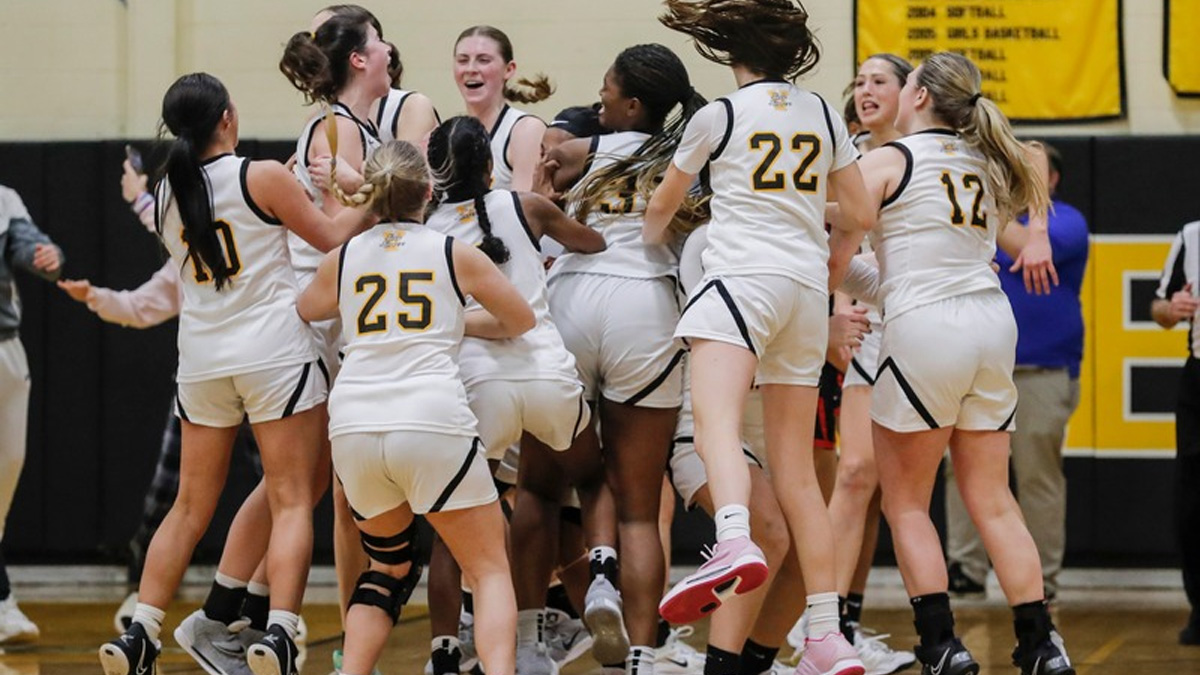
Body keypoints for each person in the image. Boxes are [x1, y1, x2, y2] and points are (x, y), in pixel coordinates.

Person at [98, 72, 372, 675]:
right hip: (274, 353)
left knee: (189, 507)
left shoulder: (167, 193)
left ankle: (141, 631)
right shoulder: (262, 175)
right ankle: (277, 633)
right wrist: (378, 195)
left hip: (201, 360)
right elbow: (331, 237)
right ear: (227, 118)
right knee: (294, 498)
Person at [648, 2, 874, 674]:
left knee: (716, 420)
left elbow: (663, 206)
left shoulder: (718, 116)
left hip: (741, 281)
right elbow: (860, 212)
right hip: (806, 293)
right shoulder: (825, 115)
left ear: (730, 51)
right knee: (799, 473)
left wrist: (649, 234)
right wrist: (832, 260)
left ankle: (734, 538)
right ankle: (828, 634)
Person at [842, 51, 1073, 675]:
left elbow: (833, 255)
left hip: (925, 329)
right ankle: (1041, 644)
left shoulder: (886, 160)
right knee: (993, 497)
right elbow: (1028, 159)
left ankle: (941, 643)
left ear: (916, 97)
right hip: (992, 325)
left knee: (907, 502)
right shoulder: (985, 160)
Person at [297, 139, 535, 675]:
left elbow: (307, 308)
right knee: (491, 568)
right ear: (429, 191)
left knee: (386, 568)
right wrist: (451, 321)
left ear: (371, 196)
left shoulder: (345, 257)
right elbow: (521, 319)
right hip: (430, 419)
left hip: (355, 425)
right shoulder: (454, 252)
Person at [543, 42, 707, 675]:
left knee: (543, 489)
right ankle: (641, 654)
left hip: (573, 300)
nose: (598, 97)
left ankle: (536, 634)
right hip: (646, 306)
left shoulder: (581, 151)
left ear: (632, 102)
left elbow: (543, 186)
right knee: (641, 504)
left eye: (607, 89)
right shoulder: (686, 158)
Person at [424, 114, 607, 675]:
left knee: (454, 529)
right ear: (489, 164)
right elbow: (594, 242)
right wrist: (553, 201)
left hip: (478, 390)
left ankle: (445, 652)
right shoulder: (527, 206)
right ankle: (601, 580)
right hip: (547, 374)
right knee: (594, 479)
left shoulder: (428, 229)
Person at [943, 143, 1090, 603]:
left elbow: (1027, 251)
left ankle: (1041, 579)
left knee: (1037, 476)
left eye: (1031, 168)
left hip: (1040, 368)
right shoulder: (977, 213)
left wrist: (984, 221)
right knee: (961, 471)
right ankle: (965, 568)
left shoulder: (1066, 221)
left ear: (1052, 180)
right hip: (975, 364)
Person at [823, 53, 919, 674]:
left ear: (910, 92)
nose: (864, 90)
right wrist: (832, 312)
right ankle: (821, 627)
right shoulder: (844, 155)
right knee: (854, 474)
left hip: (918, 321)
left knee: (887, 486)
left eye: (878, 80)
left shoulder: (931, 152)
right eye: (858, 81)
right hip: (857, 323)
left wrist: (1035, 230)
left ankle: (850, 624)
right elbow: (827, 242)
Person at [0, 185, 63, 646]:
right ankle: (2, 602)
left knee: (7, 468)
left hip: (5, 353)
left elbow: (31, 243)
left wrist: (47, 256)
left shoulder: (4, 199)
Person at [1151, 218, 1200, 646]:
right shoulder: (1190, 236)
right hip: (1198, 378)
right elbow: (1159, 308)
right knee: (1192, 501)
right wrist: (1173, 310)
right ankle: (1199, 606)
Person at [454, 25, 552, 191]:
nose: (470, 69)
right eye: (463, 60)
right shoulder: (451, 132)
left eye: (483, 60)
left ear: (508, 69)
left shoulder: (525, 130)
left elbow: (522, 211)